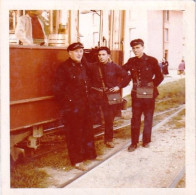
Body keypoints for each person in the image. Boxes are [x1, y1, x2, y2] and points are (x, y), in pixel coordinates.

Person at [53, 42, 97, 171]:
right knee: (74, 135)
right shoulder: (63, 68)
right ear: (70, 53)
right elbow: (57, 90)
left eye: (81, 51)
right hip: (72, 108)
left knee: (87, 130)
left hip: (85, 105)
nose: (79, 54)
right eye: (77, 51)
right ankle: (77, 161)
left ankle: (89, 155)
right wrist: (68, 105)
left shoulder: (83, 66)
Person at [123, 39, 164, 152]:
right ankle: (134, 143)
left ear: (143, 47)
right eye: (134, 48)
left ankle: (146, 141)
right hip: (136, 95)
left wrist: (151, 87)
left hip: (149, 95)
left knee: (148, 118)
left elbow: (160, 77)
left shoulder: (152, 60)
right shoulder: (131, 61)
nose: (135, 50)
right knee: (135, 118)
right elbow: (121, 70)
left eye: (138, 48)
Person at [87, 47, 130, 148]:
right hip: (97, 96)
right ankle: (90, 142)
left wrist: (118, 87)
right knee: (93, 118)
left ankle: (109, 140)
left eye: (103, 55)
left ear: (108, 55)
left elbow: (127, 77)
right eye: (99, 55)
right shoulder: (93, 66)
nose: (101, 57)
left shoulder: (114, 67)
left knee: (109, 119)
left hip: (110, 97)